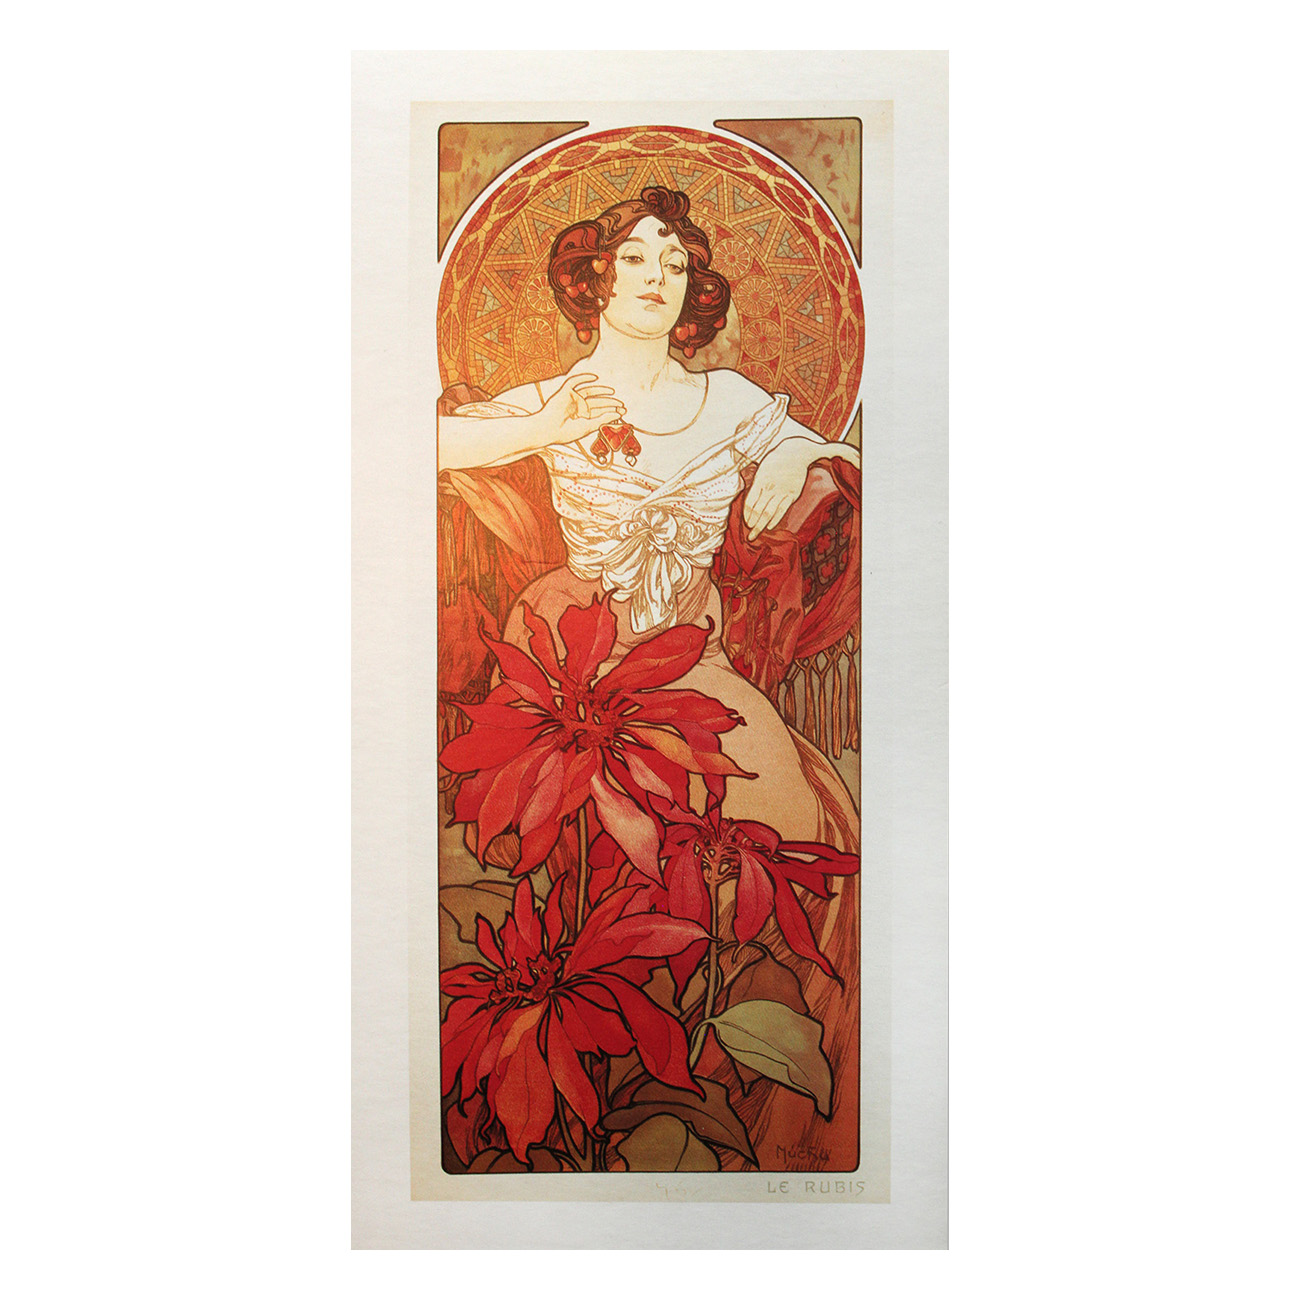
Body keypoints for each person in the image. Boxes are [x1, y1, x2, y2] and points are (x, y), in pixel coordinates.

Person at [438, 186, 860, 843]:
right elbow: (424, 446)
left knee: (782, 815)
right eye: (635, 259)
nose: (658, 277)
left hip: (691, 649)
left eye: (675, 265)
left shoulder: (727, 397)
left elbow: (844, 456)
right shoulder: (557, 396)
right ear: (595, 278)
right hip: (573, 655)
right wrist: (545, 427)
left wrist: (792, 453)